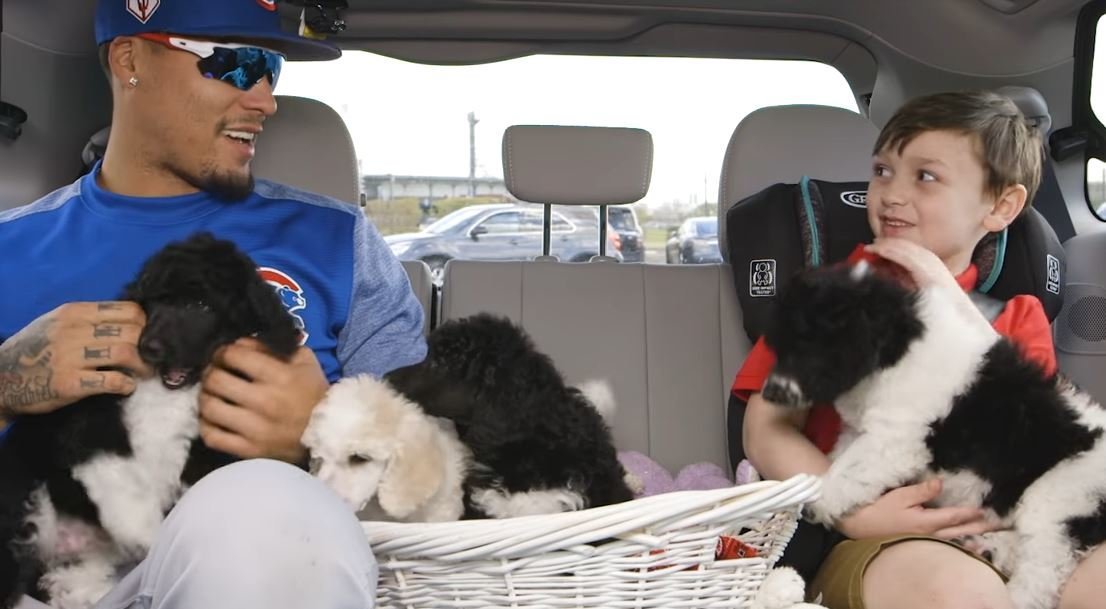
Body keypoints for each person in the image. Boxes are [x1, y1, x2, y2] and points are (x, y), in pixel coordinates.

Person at [0, 1, 427, 607]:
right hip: (43, 577)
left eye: (270, 68)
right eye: (232, 63)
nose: (264, 100)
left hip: (259, 568)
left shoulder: (339, 242)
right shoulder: (7, 247)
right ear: (129, 58)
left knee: (260, 503)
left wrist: (324, 431)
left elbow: (429, 478)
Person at [735, 90, 1106, 609]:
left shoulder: (1018, 316)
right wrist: (853, 512)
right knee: (961, 593)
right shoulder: (832, 299)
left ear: (1001, 206)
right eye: (883, 171)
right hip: (876, 537)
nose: (891, 194)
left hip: (1018, 529)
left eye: (925, 177)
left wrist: (943, 294)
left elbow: (1023, 438)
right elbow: (765, 428)